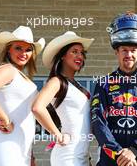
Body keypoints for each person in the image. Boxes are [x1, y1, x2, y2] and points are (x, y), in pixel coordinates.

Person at [91, 12, 137, 166]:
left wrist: (134, 151)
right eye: (124, 50)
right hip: (109, 160)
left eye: (133, 50)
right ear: (116, 52)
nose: (129, 55)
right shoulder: (103, 83)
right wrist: (118, 153)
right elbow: (98, 121)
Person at [32, 31, 94, 166]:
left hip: (82, 155)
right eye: (74, 51)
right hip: (67, 155)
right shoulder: (57, 81)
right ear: (62, 56)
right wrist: (57, 135)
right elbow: (37, 107)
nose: (80, 56)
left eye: (82, 53)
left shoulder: (77, 86)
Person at [0, 25, 45, 166]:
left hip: (24, 146)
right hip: (8, 142)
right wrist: (4, 119)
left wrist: (32, 154)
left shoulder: (23, 77)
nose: (23, 53)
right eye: (18, 48)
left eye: (28, 49)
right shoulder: (8, 70)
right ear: (8, 49)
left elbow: (27, 117)